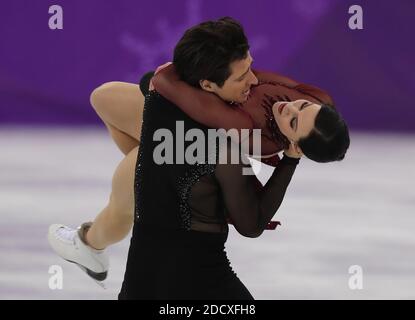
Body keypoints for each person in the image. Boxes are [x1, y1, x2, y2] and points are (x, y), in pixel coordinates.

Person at [47, 17, 349, 298]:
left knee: (125, 198)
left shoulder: (246, 131)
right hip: (184, 125)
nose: (291, 109)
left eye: (295, 122)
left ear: (293, 142)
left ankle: (89, 244)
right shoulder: (316, 100)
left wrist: (168, 81)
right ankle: (151, 177)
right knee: (103, 97)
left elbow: (162, 80)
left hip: (194, 130)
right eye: (302, 107)